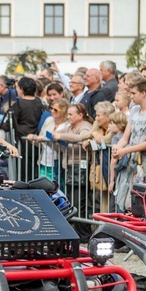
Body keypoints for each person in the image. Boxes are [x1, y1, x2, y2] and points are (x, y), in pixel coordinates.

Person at [54, 103, 94, 241]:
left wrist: (61, 136)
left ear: (80, 115)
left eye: (71, 114)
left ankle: (84, 233)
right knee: (73, 199)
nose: (68, 117)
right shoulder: (70, 127)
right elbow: (62, 136)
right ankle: (76, 231)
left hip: (80, 167)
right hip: (70, 166)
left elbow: (81, 137)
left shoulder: (85, 126)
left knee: (80, 200)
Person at [112, 77, 146, 212]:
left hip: (145, 160)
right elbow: (125, 136)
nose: (131, 96)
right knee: (123, 197)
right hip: (130, 159)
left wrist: (126, 150)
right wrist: (118, 147)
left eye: (134, 93)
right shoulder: (134, 111)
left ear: (143, 94)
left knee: (139, 198)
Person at [29, 98, 69, 181]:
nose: (52, 111)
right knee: (42, 183)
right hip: (44, 158)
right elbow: (41, 140)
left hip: (58, 160)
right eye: (51, 108)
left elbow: (63, 146)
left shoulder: (67, 125)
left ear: (63, 111)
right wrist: (34, 140)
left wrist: (46, 139)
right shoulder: (49, 120)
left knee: (56, 185)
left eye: (56, 110)